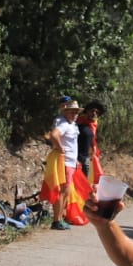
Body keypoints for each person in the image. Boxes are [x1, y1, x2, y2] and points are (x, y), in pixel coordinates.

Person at [44, 97, 82, 228]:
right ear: (65, 112)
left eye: (76, 112)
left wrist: (75, 159)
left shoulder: (72, 125)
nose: (75, 114)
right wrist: (61, 150)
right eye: (72, 112)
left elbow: (72, 144)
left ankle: (60, 218)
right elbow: (54, 135)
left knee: (66, 192)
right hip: (64, 162)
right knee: (62, 191)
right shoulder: (64, 124)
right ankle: (57, 220)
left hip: (70, 162)